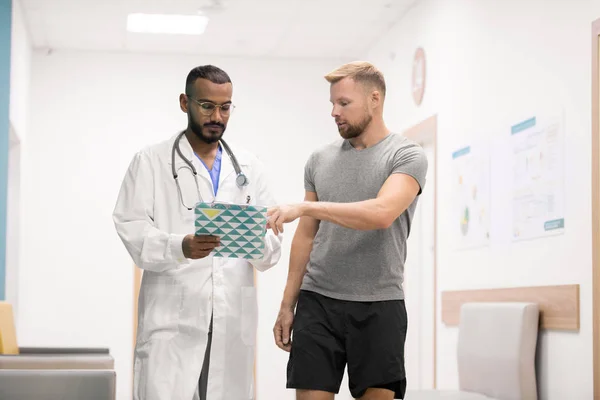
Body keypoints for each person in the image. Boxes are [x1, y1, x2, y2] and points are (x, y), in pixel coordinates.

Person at [113, 65, 282, 400]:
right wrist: (181, 247)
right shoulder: (150, 161)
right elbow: (130, 227)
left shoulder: (249, 167)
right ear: (184, 103)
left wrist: (253, 239)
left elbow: (272, 245)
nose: (217, 116)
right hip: (172, 319)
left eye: (225, 107)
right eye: (207, 106)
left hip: (231, 316)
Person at [268, 61, 428, 400]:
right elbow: (306, 236)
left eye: (343, 103)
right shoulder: (319, 160)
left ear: (374, 99)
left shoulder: (406, 155)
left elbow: (382, 213)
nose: (334, 112)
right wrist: (287, 304)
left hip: (379, 305)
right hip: (318, 302)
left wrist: (307, 207)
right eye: (332, 103)